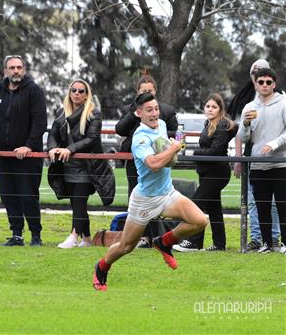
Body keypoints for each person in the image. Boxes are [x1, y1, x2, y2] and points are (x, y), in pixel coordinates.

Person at [92, 92, 207, 291]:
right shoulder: (140, 138)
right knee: (126, 247)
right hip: (145, 199)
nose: (154, 113)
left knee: (200, 221)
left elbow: (169, 148)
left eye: (156, 109)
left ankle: (164, 242)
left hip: (167, 193)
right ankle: (102, 267)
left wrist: (174, 145)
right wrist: (173, 148)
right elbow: (153, 164)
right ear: (139, 113)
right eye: (149, 110)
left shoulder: (162, 124)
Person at [0, 55, 47, 246]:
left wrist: (29, 145)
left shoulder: (34, 91)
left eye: (19, 67)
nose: (16, 71)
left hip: (28, 156)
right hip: (4, 155)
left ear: (24, 69)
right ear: (5, 70)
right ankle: (16, 235)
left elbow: (40, 122)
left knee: (27, 196)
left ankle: (36, 236)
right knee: (8, 195)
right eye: (12, 67)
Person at [47, 79, 115, 248]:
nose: (77, 93)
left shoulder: (93, 113)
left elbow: (91, 139)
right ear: (70, 93)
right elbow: (52, 134)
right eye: (74, 90)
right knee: (77, 203)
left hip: (87, 166)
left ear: (86, 95)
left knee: (79, 200)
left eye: (81, 91)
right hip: (67, 166)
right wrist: (52, 148)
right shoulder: (62, 113)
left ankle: (73, 236)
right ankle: (86, 238)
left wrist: (69, 149)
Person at [115, 74, 178, 248]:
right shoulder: (132, 110)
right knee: (137, 199)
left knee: (160, 198)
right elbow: (119, 129)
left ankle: (159, 237)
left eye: (150, 90)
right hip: (137, 162)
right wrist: (134, 114)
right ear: (137, 93)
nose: (153, 113)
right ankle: (141, 237)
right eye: (143, 91)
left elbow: (175, 133)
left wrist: (169, 147)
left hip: (160, 161)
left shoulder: (165, 111)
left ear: (155, 91)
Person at [173, 94, 237, 252]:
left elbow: (215, 150)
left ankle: (193, 243)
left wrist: (196, 153)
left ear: (220, 109)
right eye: (208, 106)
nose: (210, 109)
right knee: (214, 209)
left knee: (195, 204)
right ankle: (219, 245)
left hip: (217, 173)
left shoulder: (221, 125)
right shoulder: (208, 123)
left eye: (214, 107)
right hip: (207, 173)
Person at [232, 59, 281, 252]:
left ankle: (275, 239)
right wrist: (237, 159)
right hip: (252, 158)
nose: (263, 83)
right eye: (256, 73)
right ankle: (256, 238)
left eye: (266, 77)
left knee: (276, 202)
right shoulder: (246, 101)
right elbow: (239, 133)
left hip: (277, 158)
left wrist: (275, 145)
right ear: (253, 77)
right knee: (254, 201)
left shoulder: (280, 98)